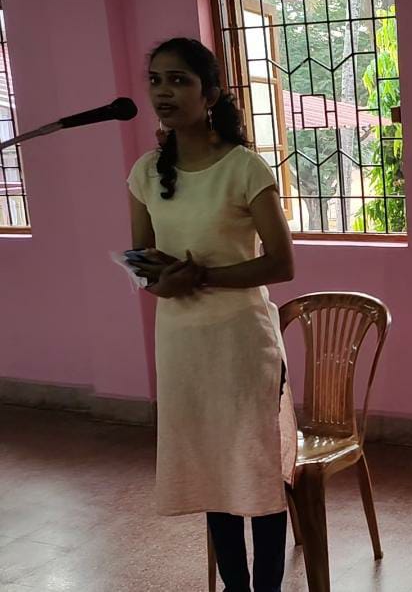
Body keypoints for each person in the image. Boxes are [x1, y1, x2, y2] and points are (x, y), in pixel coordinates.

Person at [126, 37, 298, 592]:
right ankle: (234, 586)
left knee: (255, 472)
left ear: (211, 94)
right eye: (156, 79)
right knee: (210, 473)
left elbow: (281, 263)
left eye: (179, 80)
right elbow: (143, 263)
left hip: (242, 344)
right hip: (182, 345)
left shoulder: (244, 167)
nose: (164, 91)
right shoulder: (145, 173)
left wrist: (203, 277)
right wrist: (161, 283)